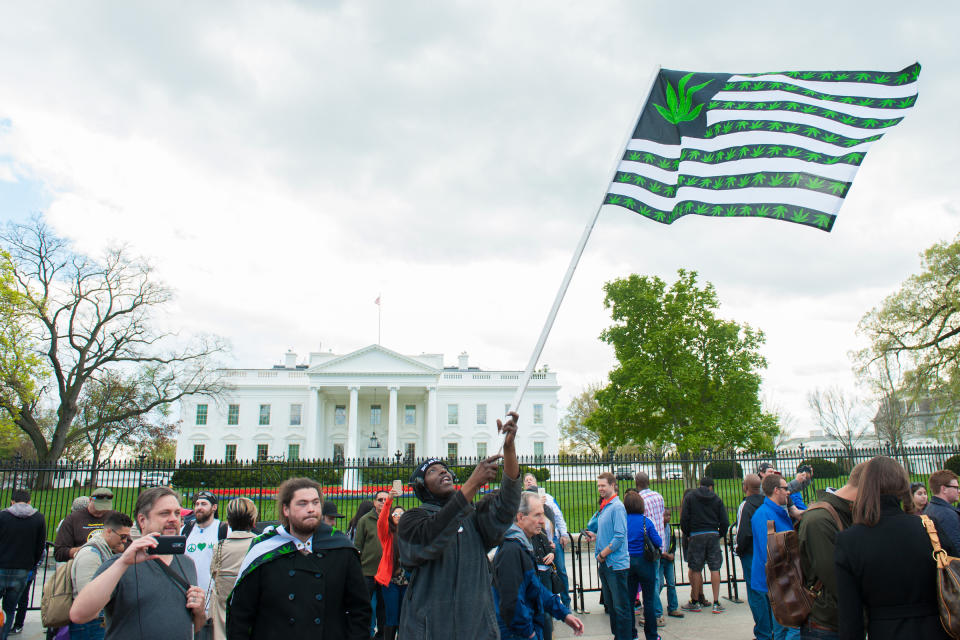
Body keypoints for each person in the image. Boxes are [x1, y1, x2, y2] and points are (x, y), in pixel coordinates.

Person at [397, 411, 521, 639]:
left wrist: (509, 451)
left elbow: (506, 505)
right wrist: (473, 483)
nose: (442, 471)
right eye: (432, 471)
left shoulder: (470, 515)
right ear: (421, 487)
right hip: (429, 632)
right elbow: (433, 535)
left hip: (476, 629)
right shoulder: (412, 520)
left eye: (444, 468)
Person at [226, 477, 370, 639]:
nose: (311, 509)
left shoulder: (341, 549)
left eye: (315, 503)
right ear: (286, 509)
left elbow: (360, 611)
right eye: (302, 503)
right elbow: (241, 614)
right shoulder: (264, 552)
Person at [835, 456, 950, 639]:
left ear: (865, 487)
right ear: (903, 485)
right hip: (936, 629)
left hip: (885, 631)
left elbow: (850, 617)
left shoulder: (850, 540)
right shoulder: (930, 528)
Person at [70, 487, 206, 639]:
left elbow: (196, 627)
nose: (174, 519)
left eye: (177, 513)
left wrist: (199, 612)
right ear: (142, 520)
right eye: (164, 513)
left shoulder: (187, 563)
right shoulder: (120, 564)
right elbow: (79, 614)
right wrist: (123, 563)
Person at [492, 491, 584, 640]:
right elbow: (512, 602)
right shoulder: (512, 550)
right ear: (520, 517)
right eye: (537, 515)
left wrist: (563, 613)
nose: (543, 521)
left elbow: (535, 588)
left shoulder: (521, 544)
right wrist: (530, 633)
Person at [796, 462, 863, 639]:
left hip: (838, 621)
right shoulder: (819, 519)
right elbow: (836, 578)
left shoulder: (841, 513)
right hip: (826, 625)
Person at [69, 512, 133, 640]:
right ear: (109, 531)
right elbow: (86, 594)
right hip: (91, 623)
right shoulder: (91, 555)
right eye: (123, 536)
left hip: (97, 620)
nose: (125, 541)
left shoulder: (103, 550)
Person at [750, 473, 799, 640]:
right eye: (785, 489)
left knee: (782, 629)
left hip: (780, 580)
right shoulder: (764, 515)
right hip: (779, 581)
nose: (788, 492)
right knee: (793, 627)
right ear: (776, 490)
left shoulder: (774, 512)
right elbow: (769, 552)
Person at [583, 472, 631, 640]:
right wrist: (596, 537)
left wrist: (603, 554)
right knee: (612, 607)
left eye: (603, 485)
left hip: (615, 565)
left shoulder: (617, 507)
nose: (600, 489)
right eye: (598, 486)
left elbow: (619, 536)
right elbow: (610, 534)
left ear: (612, 485)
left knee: (621, 608)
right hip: (606, 565)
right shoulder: (606, 506)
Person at [209, 497, 258, 640]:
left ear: (228, 522)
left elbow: (214, 574)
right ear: (253, 521)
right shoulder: (259, 545)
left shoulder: (220, 547)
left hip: (223, 620)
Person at [0, 489, 46, 640]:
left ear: (12, 501)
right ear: (29, 502)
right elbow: (40, 547)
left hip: (2, 566)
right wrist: (31, 565)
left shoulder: (3, 516)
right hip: (23, 568)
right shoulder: (38, 518)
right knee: (10, 608)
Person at [679, 476, 728, 614]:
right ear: (711, 486)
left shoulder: (690, 497)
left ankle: (695, 601)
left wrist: (688, 533)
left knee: (695, 568)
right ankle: (716, 602)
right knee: (714, 568)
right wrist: (720, 534)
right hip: (712, 534)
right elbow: (724, 521)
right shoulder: (716, 499)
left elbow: (684, 519)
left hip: (696, 534)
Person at [523, 473, 571, 608]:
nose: (528, 482)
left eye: (530, 479)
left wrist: (563, 534)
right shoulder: (523, 501)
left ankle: (565, 601)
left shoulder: (549, 500)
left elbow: (558, 517)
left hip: (552, 541)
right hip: (536, 545)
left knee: (560, 570)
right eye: (526, 480)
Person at [181, 490, 223, 639]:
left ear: (214, 508)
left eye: (204, 504)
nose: (199, 507)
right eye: (197, 504)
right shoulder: (186, 530)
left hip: (212, 598)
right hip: (188, 595)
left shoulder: (223, 529)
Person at [623, 489, 662, 640]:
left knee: (630, 601)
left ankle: (632, 634)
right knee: (649, 600)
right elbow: (658, 542)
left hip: (628, 562)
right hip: (645, 562)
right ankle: (652, 635)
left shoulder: (623, 521)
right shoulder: (646, 521)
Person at [735, 473, 768, 640]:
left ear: (745, 487)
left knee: (756, 594)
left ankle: (763, 633)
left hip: (751, 554)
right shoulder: (766, 503)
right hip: (767, 552)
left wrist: (738, 549)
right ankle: (771, 630)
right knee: (768, 593)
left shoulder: (745, 506)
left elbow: (743, 533)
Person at [634, 471, 667, 626]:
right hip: (659, 544)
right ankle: (653, 608)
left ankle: (656, 613)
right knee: (656, 579)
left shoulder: (640, 499)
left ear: (636, 483)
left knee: (651, 581)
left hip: (647, 547)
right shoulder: (659, 496)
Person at [355, 490, 388, 639]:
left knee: (383, 607)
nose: (382, 502)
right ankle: (365, 634)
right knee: (365, 606)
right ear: (374, 502)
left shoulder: (391, 519)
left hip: (385, 572)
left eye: (385, 500)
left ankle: (381, 635)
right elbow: (358, 546)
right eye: (380, 499)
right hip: (367, 571)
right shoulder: (365, 520)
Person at [374, 488, 406, 640]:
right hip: (391, 581)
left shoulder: (409, 534)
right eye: (395, 514)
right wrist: (389, 501)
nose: (398, 516)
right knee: (392, 616)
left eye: (401, 514)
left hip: (407, 581)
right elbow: (381, 521)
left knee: (404, 615)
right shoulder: (387, 535)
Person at [54, 488, 119, 562]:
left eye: (105, 508)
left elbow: (127, 544)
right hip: (82, 564)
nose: (101, 511)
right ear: (90, 500)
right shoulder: (73, 519)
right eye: (98, 507)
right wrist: (86, 550)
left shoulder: (116, 517)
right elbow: (59, 553)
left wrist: (115, 547)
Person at [923, 469, 960, 556]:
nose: (958, 491)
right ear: (944, 489)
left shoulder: (929, 509)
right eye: (956, 487)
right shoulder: (947, 514)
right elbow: (956, 548)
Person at [658, 508, 682, 620]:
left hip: (668, 559)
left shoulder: (670, 529)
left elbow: (673, 543)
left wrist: (671, 553)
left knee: (671, 583)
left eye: (669, 515)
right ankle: (654, 605)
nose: (668, 517)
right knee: (659, 584)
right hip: (660, 558)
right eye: (665, 515)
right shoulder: (657, 528)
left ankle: (673, 607)